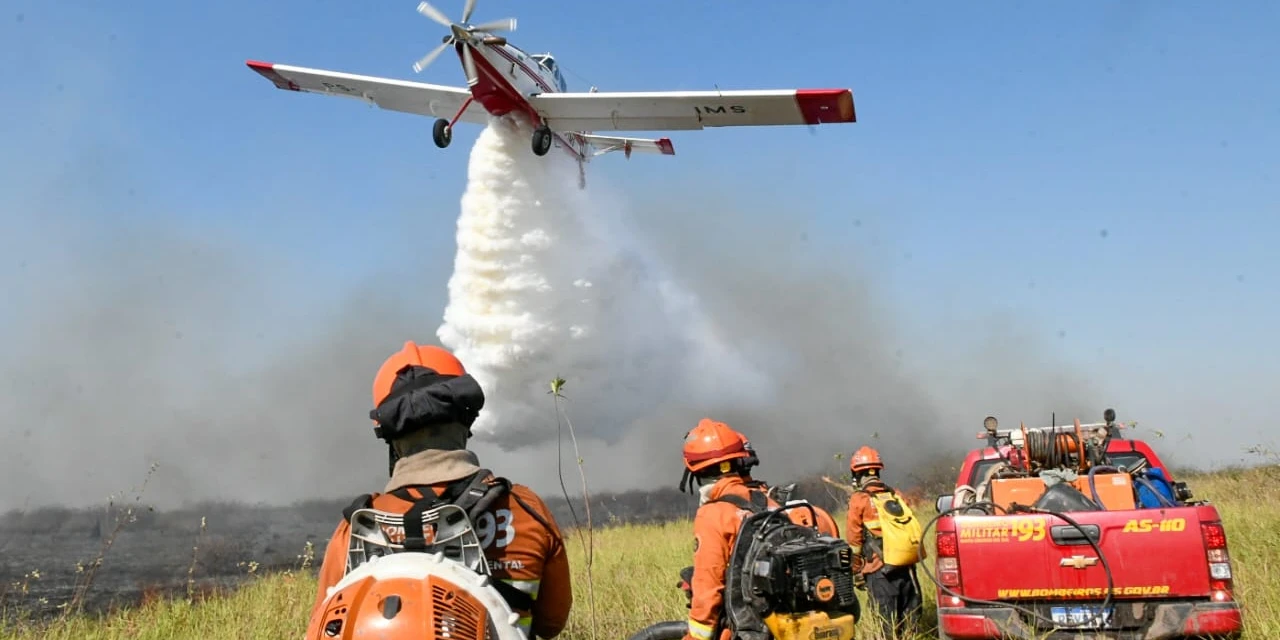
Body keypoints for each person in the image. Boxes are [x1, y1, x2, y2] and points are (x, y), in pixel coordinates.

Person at [307, 340, 572, 639]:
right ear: (467, 419)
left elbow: (324, 627)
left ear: (390, 436)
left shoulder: (353, 529)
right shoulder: (524, 510)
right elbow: (551, 624)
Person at [679, 418, 841, 640]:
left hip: (747, 630)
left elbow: (708, 588)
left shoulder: (713, 514)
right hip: (781, 625)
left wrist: (695, 637)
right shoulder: (769, 503)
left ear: (695, 471)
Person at [846, 445, 923, 640]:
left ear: (857, 474)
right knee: (910, 612)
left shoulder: (859, 499)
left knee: (885, 620)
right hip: (906, 564)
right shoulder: (894, 494)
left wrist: (857, 571)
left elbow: (854, 539)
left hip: (878, 568)